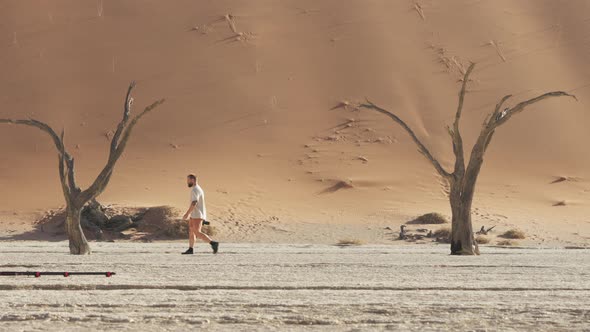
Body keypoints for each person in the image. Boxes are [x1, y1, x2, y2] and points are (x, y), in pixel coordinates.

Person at [182, 174, 219, 254]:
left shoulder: (195, 189)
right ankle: (190, 249)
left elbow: (194, 202)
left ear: (192, 180)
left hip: (197, 215)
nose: (187, 182)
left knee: (197, 232)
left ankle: (213, 243)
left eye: (188, 180)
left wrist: (187, 213)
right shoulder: (197, 189)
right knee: (191, 231)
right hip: (194, 214)